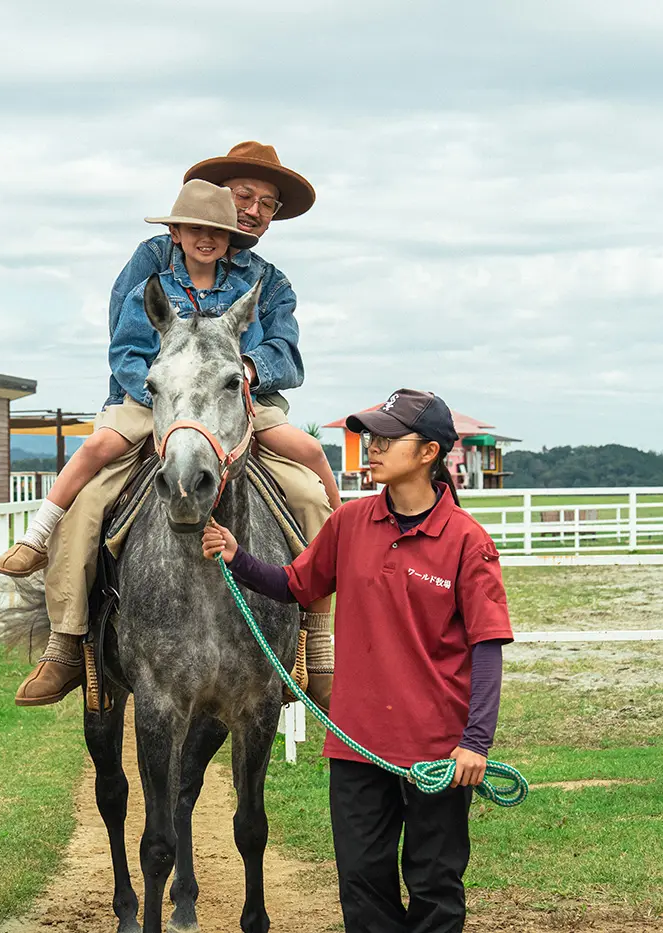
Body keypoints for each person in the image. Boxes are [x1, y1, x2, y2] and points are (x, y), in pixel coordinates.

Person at [0, 142, 338, 709]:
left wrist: (244, 372)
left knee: (306, 493)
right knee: (90, 499)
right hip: (156, 397)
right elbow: (125, 342)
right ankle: (65, 642)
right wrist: (168, 393)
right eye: (245, 196)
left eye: (268, 205)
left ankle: (318, 640)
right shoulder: (152, 259)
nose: (255, 210)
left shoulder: (270, 282)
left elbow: (287, 353)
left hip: (242, 404)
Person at [201, 388, 514, 933]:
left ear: (428, 453)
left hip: (438, 752)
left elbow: (486, 648)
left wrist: (475, 743)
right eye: (370, 436)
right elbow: (296, 585)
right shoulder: (349, 523)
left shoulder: (468, 542)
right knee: (362, 884)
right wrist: (238, 556)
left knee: (434, 884)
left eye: (389, 439)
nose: (372, 447)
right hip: (356, 746)